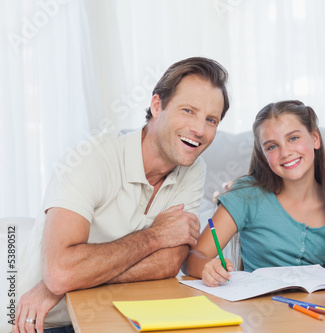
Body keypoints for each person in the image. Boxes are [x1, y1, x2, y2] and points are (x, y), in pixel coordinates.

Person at [12, 57, 230, 333]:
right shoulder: (90, 160)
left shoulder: (192, 168)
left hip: (123, 318)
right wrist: (156, 236)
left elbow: (170, 261)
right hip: (43, 323)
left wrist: (76, 277)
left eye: (211, 119)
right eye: (188, 110)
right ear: (157, 106)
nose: (199, 130)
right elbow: (60, 272)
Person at [182, 100, 325, 286]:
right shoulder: (246, 196)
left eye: (293, 138)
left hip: (317, 311)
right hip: (260, 311)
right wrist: (207, 266)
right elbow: (192, 259)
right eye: (272, 146)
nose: (285, 152)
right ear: (264, 157)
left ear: (315, 138)